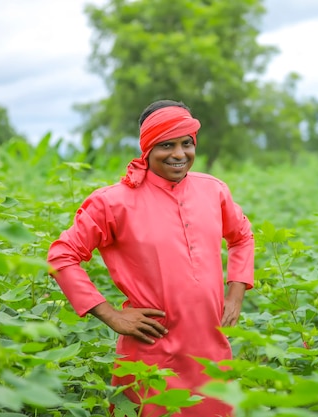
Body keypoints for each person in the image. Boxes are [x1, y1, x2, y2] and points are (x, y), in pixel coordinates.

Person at [47, 100, 255, 417]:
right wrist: (111, 315)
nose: (179, 154)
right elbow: (61, 256)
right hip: (151, 351)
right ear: (147, 149)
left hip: (210, 348)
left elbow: (241, 236)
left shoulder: (213, 191)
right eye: (166, 145)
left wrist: (235, 295)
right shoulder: (113, 202)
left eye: (187, 144)